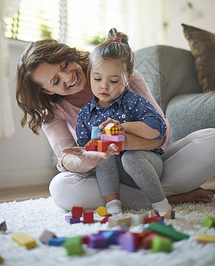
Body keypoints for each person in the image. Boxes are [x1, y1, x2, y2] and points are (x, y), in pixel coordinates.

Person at [16, 37, 215, 212]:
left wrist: (124, 141)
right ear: (48, 91)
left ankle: (144, 196)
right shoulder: (51, 111)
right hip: (108, 178)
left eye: (65, 64)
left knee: (211, 140)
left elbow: (162, 133)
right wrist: (88, 158)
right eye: (56, 80)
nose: (69, 76)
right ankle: (163, 198)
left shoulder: (119, 74)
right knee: (60, 188)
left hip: (148, 163)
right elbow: (66, 157)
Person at [76, 28, 172, 216]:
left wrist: (122, 128)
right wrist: (98, 145)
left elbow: (157, 129)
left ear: (128, 79)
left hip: (147, 164)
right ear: (90, 75)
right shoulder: (86, 113)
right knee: (103, 156)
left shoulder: (133, 101)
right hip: (114, 177)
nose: (104, 85)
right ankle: (114, 207)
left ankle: (161, 205)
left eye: (113, 81)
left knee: (131, 157)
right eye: (97, 78)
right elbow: (84, 148)